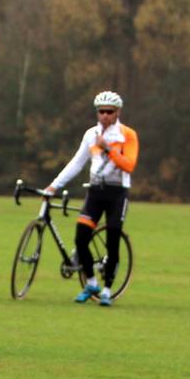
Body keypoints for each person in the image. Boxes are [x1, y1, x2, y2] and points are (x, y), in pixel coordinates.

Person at [44, 90, 139, 307]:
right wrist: (54, 185)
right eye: (101, 111)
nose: (105, 115)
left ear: (117, 113)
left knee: (113, 237)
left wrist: (109, 150)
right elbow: (77, 163)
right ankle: (92, 283)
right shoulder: (90, 135)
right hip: (96, 191)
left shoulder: (127, 135)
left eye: (109, 112)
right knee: (81, 238)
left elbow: (129, 165)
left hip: (117, 192)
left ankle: (107, 290)